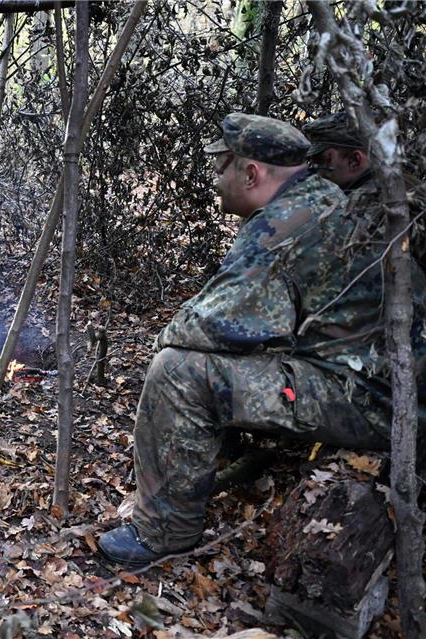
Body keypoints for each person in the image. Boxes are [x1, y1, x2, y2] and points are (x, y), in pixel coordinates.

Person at [96, 113, 426, 567]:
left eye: (221, 168)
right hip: (389, 386)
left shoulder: (281, 224)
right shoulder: (325, 194)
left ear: (250, 173)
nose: (215, 180)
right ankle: (213, 461)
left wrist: (163, 338)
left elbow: (216, 324)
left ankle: (164, 532)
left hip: (373, 401)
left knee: (176, 371)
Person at [304, 110, 424, 268]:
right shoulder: (407, 183)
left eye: (322, 160)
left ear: (355, 160)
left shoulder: (368, 207)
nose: (316, 170)